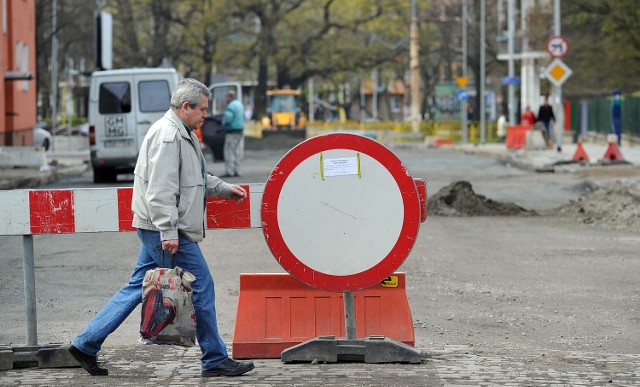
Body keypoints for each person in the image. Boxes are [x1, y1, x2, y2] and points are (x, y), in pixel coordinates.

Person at [67, 79, 255, 378]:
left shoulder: (180, 132)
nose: (206, 115)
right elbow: (161, 190)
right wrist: (168, 232)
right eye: (202, 109)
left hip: (157, 227)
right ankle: (214, 358)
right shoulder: (170, 137)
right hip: (166, 230)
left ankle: (86, 343)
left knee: (134, 288)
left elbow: (193, 175)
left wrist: (222, 188)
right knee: (202, 285)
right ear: (186, 107)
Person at [221, 90, 245, 177]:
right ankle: (237, 170)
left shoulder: (231, 106)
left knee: (229, 151)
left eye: (227, 97)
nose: (226, 99)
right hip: (240, 131)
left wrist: (223, 125)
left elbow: (228, 118)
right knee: (237, 151)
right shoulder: (239, 104)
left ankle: (230, 171)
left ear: (230, 97)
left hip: (231, 131)